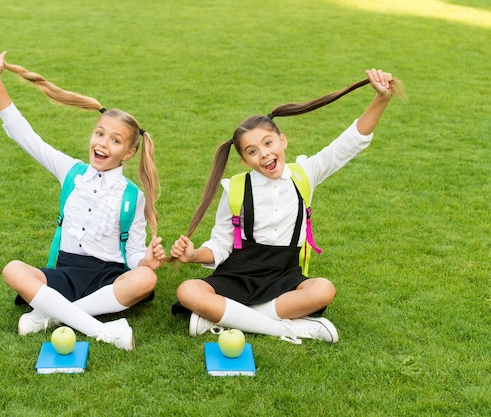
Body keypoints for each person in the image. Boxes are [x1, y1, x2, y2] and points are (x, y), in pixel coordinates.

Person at [170, 69, 404, 344]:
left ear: (282, 141)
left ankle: (228, 318)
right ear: (245, 161)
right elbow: (221, 245)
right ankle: (290, 328)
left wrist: (382, 99)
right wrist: (193, 254)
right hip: (239, 273)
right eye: (252, 151)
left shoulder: (305, 173)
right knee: (188, 290)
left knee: (323, 289)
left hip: (284, 275)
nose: (264, 154)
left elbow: (349, 143)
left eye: (268, 143)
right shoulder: (235, 188)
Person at [0, 51, 166, 350]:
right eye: (100, 133)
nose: (103, 143)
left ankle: (52, 314)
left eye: (115, 140)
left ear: (129, 153)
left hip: (108, 277)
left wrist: (147, 261)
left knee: (145, 279)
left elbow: (132, 255)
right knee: (13, 269)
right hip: (64, 272)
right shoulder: (71, 172)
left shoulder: (132, 196)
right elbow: (25, 136)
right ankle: (103, 330)